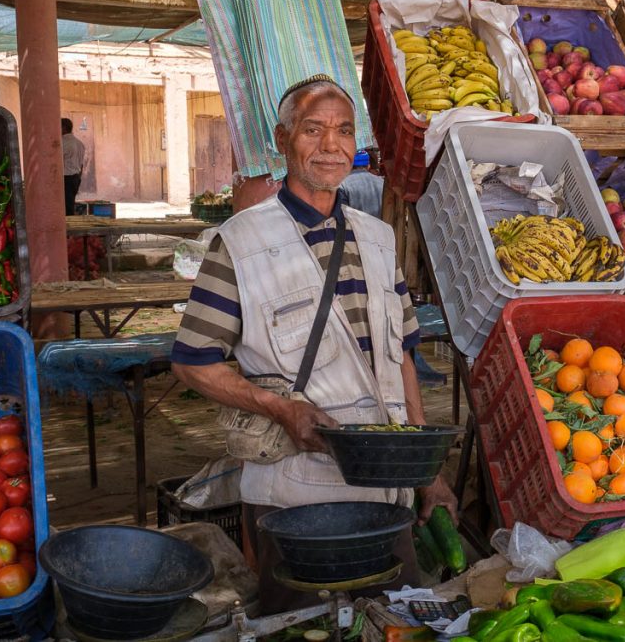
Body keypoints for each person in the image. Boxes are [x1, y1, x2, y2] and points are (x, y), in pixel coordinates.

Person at [170, 75, 456, 613]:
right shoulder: (240, 243)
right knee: (300, 623)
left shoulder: (378, 238)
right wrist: (281, 408)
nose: (331, 145)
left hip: (384, 493)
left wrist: (425, 471)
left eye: (344, 131)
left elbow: (405, 357)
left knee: (394, 619)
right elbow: (192, 363)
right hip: (295, 495)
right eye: (313, 129)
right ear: (283, 140)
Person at [340, 150, 384, 218]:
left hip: (354, 227)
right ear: (368, 166)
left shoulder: (343, 184)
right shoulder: (381, 182)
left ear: (350, 165)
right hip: (379, 227)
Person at [61, 118, 86, 216]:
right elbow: (81, 164)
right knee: (70, 204)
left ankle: (68, 229)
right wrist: (78, 177)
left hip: (66, 178)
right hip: (76, 177)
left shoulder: (62, 143)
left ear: (63, 128)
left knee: (66, 208)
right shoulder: (79, 143)